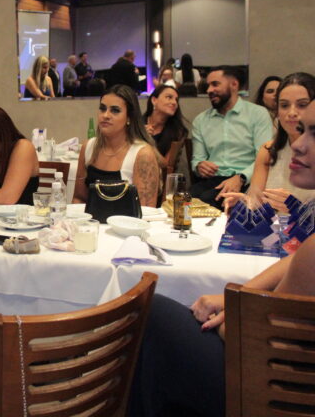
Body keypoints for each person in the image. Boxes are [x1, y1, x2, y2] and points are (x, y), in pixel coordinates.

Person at [127, 98, 315, 417]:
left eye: (314, 133)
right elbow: (292, 264)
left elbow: (267, 337)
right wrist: (235, 297)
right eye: (302, 129)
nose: (298, 144)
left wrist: (230, 316)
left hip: (277, 390)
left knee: (152, 310)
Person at [222, 72, 315, 213]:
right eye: (284, 105)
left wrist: (298, 210)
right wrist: (245, 202)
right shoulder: (267, 150)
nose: (291, 112)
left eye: (302, 105)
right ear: (277, 111)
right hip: (275, 226)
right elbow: (257, 203)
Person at [190, 66, 273, 208]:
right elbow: (197, 159)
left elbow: (264, 157)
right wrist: (199, 166)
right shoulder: (201, 120)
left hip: (248, 179)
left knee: (207, 200)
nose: (209, 90)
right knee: (182, 201)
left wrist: (241, 178)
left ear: (234, 84)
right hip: (214, 179)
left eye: (215, 84)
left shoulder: (258, 114)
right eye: (208, 85)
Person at [72, 85, 160, 208]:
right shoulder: (88, 148)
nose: (106, 115)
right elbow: (79, 198)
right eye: (102, 109)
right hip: (90, 220)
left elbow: (145, 211)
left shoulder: (142, 154)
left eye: (115, 110)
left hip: (129, 220)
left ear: (129, 118)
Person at [143, 85, 189, 158]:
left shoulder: (178, 131)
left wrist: (149, 142)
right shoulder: (136, 124)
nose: (174, 102)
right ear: (154, 100)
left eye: (176, 100)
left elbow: (167, 163)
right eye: (169, 97)